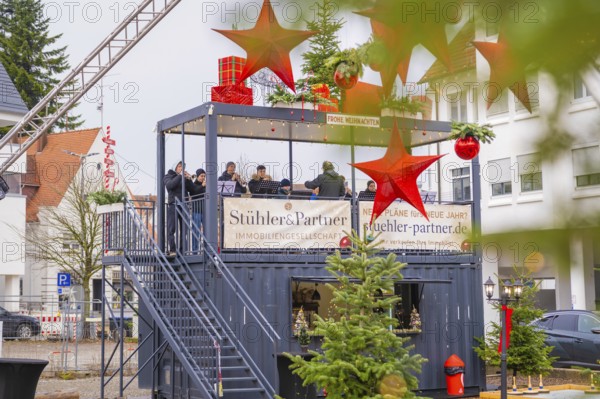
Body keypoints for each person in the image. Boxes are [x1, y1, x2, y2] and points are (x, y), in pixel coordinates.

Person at [164, 161, 195, 256]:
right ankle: (173, 250)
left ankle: (182, 251)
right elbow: (170, 185)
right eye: (179, 166)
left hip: (184, 205)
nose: (181, 168)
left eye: (183, 166)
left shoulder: (184, 178)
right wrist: (180, 176)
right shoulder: (168, 176)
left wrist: (189, 179)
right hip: (173, 204)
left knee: (184, 230)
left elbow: (193, 190)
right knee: (171, 229)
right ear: (175, 167)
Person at [190, 168, 206, 251]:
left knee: (207, 232)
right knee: (196, 231)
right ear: (197, 176)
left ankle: (207, 251)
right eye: (201, 176)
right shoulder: (194, 184)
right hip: (196, 211)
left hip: (205, 211)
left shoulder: (206, 185)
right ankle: (195, 251)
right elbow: (193, 192)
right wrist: (202, 186)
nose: (203, 177)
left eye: (204, 176)